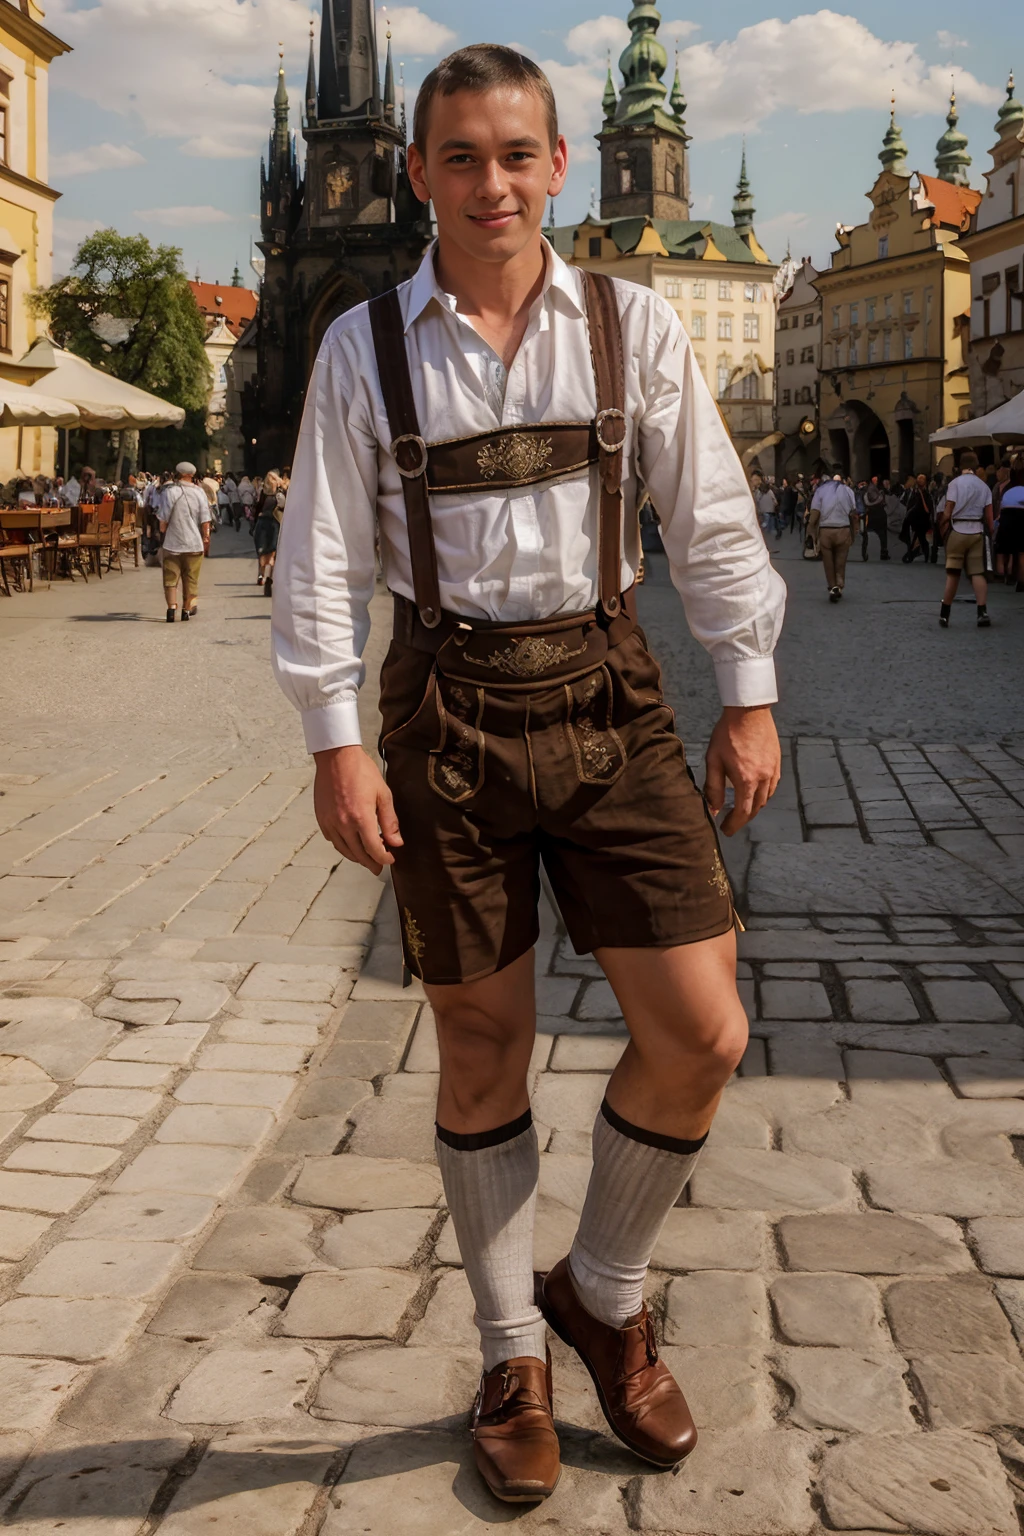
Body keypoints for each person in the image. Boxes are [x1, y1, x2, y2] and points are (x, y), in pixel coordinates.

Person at [272, 43, 785, 1504]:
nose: (489, 183)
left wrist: (745, 693)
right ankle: (512, 1351)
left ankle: (601, 1291)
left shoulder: (630, 323)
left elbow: (714, 519)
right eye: (460, 157)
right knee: (482, 1046)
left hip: (615, 699)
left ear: (559, 166)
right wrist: (334, 738)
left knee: (703, 1032)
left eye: (516, 155)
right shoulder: (363, 343)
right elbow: (317, 559)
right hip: (445, 716)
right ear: (421, 173)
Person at [938, 450, 994, 628]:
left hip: (958, 530)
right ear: (976, 466)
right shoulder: (984, 486)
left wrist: (942, 526)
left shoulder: (954, 484)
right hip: (976, 532)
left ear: (960, 466)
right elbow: (990, 519)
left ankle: (945, 614)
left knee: (953, 574)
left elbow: (948, 510)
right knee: (977, 573)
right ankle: (982, 611)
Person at [160, 461, 210, 623]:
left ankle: (171, 609)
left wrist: (162, 531)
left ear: (178, 473)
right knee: (191, 578)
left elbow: (162, 522)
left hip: (172, 543)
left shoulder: (170, 492)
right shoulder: (199, 493)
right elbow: (205, 520)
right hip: (194, 543)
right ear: (192, 475)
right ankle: (186, 610)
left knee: (170, 578)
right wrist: (206, 537)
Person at [811, 472, 858, 600]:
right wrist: (855, 532)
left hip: (826, 530)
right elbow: (853, 512)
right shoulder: (848, 490)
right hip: (843, 529)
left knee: (828, 561)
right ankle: (839, 582)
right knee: (841, 560)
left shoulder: (820, 491)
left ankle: (832, 586)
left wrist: (810, 531)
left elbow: (815, 512)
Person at [994, 458, 1024, 592]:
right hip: (1021, 521)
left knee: (1004, 551)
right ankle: (1021, 581)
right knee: (1021, 554)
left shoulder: (1008, 492)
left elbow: (1001, 510)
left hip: (1006, 521)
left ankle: (1003, 576)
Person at [253, 469, 284, 594]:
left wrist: (253, 524)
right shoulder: (280, 494)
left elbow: (257, 509)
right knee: (273, 552)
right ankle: (270, 579)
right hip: (274, 523)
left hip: (262, 523)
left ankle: (261, 575)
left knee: (262, 551)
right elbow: (284, 508)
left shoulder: (262, 493)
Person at [901, 474, 933, 563]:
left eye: (922, 479)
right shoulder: (912, 493)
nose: (920, 480)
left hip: (923, 520)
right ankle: (913, 554)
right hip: (913, 520)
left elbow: (928, 509)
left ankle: (912, 555)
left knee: (921, 538)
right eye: (919, 478)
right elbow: (907, 504)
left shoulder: (927, 495)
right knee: (917, 539)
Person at [860, 475, 889, 561]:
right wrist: (881, 498)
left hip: (874, 514)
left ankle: (867, 553)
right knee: (881, 533)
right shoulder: (872, 489)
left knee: (878, 534)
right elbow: (875, 500)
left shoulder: (872, 488)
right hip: (875, 514)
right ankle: (883, 552)